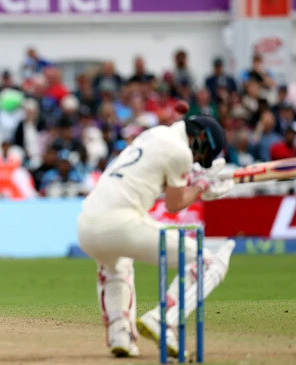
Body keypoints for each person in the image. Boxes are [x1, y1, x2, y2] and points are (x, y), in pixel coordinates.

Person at [77, 114, 236, 359]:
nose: (196, 160)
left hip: (86, 226)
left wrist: (193, 180)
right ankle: (164, 320)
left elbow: (159, 175)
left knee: (116, 267)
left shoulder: (154, 135)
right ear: (201, 138)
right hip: (121, 224)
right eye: (200, 156)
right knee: (209, 262)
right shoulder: (180, 152)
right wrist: (201, 187)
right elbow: (174, 204)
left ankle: (121, 335)